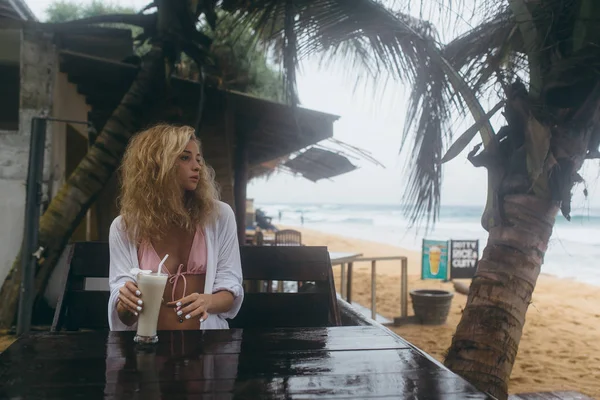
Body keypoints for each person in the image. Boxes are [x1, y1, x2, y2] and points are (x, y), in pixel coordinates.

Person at [107, 124, 244, 331]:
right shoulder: (125, 227)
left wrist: (208, 301)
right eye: (185, 157)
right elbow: (125, 318)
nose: (197, 166)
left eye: (198, 159)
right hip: (148, 348)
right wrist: (126, 301)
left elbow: (230, 287)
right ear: (157, 165)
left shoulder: (219, 216)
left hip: (205, 344)